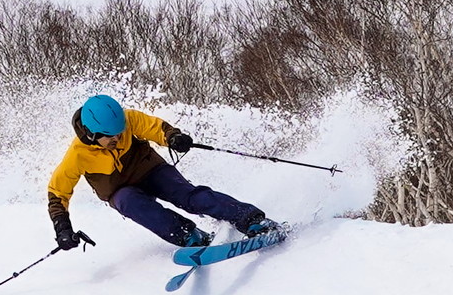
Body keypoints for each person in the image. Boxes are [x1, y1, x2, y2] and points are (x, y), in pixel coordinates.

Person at [47, 94, 280, 250]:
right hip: (122, 191)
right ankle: (189, 236)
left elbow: (155, 127)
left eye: (120, 133)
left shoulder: (128, 119)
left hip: (150, 170)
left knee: (188, 195)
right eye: (111, 136)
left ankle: (250, 219)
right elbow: (57, 193)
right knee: (128, 201)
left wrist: (173, 137)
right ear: (92, 134)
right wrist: (63, 229)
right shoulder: (77, 155)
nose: (117, 139)